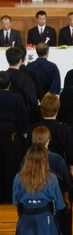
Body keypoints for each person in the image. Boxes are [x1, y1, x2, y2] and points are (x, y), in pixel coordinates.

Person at [12, 144, 65, 235]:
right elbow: (59, 205)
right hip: (46, 221)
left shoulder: (18, 178)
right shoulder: (51, 178)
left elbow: (15, 202)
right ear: (45, 161)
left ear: (27, 159)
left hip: (25, 219)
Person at [0, 70, 29, 204]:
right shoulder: (16, 98)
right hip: (11, 134)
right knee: (11, 166)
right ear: (10, 84)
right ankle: (11, 195)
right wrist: (24, 134)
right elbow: (23, 118)